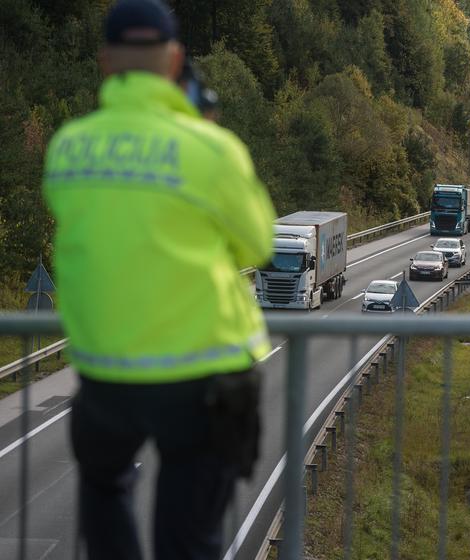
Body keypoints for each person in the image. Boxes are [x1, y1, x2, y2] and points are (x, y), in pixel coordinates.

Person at [42, 1, 276, 558]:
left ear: (104, 62)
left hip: (106, 372)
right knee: (190, 538)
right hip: (203, 376)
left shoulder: (68, 147)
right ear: (175, 61)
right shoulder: (209, 150)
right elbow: (260, 244)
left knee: (104, 498)